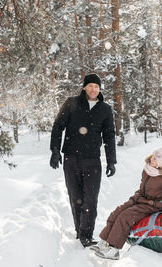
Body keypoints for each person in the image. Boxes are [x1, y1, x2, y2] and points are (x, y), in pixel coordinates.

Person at [49, 73, 117, 247]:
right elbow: (58, 126)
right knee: (75, 196)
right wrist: (55, 150)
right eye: (90, 86)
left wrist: (111, 161)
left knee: (91, 199)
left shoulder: (105, 109)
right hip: (71, 159)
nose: (93, 89)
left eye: (97, 86)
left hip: (92, 161)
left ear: (99, 89)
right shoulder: (72, 103)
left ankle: (86, 235)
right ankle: (80, 231)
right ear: (84, 87)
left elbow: (109, 136)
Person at [92, 143, 162, 260]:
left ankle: (114, 249)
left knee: (125, 217)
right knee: (117, 212)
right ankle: (104, 242)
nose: (152, 159)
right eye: (153, 156)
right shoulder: (148, 170)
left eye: (156, 159)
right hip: (138, 199)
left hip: (151, 205)